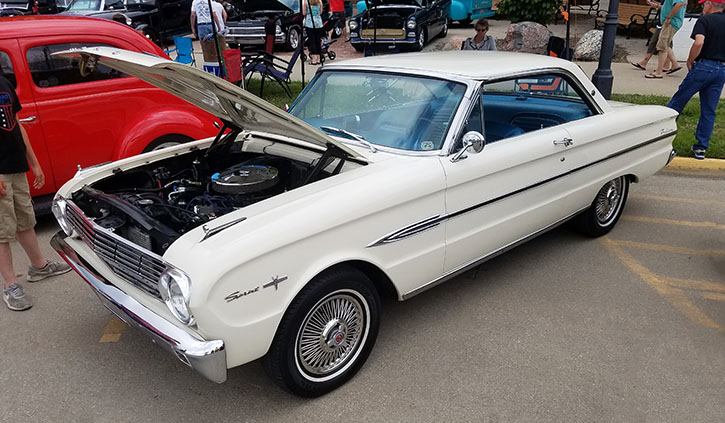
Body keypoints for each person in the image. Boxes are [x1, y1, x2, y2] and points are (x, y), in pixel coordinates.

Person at [0, 74, 71, 311]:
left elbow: (17, 124)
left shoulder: (3, 82)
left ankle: (39, 267)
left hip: (16, 167)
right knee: (2, 231)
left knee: (25, 221)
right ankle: (10, 285)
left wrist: (34, 162)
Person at [667, 0, 725, 160]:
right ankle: (701, 148)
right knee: (709, 109)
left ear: (710, 4)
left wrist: (690, 59)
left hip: (703, 66)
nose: (702, 7)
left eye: (704, 4)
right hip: (721, 69)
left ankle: (661, 137)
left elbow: (699, 42)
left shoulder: (704, 20)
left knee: (677, 103)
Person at [631, 0, 681, 73]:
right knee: (663, 44)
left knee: (662, 45)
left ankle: (660, 70)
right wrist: (654, 3)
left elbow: (677, 5)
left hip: (668, 23)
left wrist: (668, 17)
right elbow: (667, 6)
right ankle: (671, 64)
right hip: (663, 22)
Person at [646, 0, 686, 78]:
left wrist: (669, 17)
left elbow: (679, 4)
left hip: (671, 22)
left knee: (662, 46)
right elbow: (669, 6)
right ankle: (675, 64)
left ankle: (658, 72)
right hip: (668, 22)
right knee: (665, 44)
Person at [303, 0, 324, 65]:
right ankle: (318, 57)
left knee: (312, 41)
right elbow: (320, 12)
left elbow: (303, 13)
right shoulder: (319, 1)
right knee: (318, 40)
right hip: (318, 23)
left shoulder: (306, 2)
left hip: (309, 23)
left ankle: (314, 58)